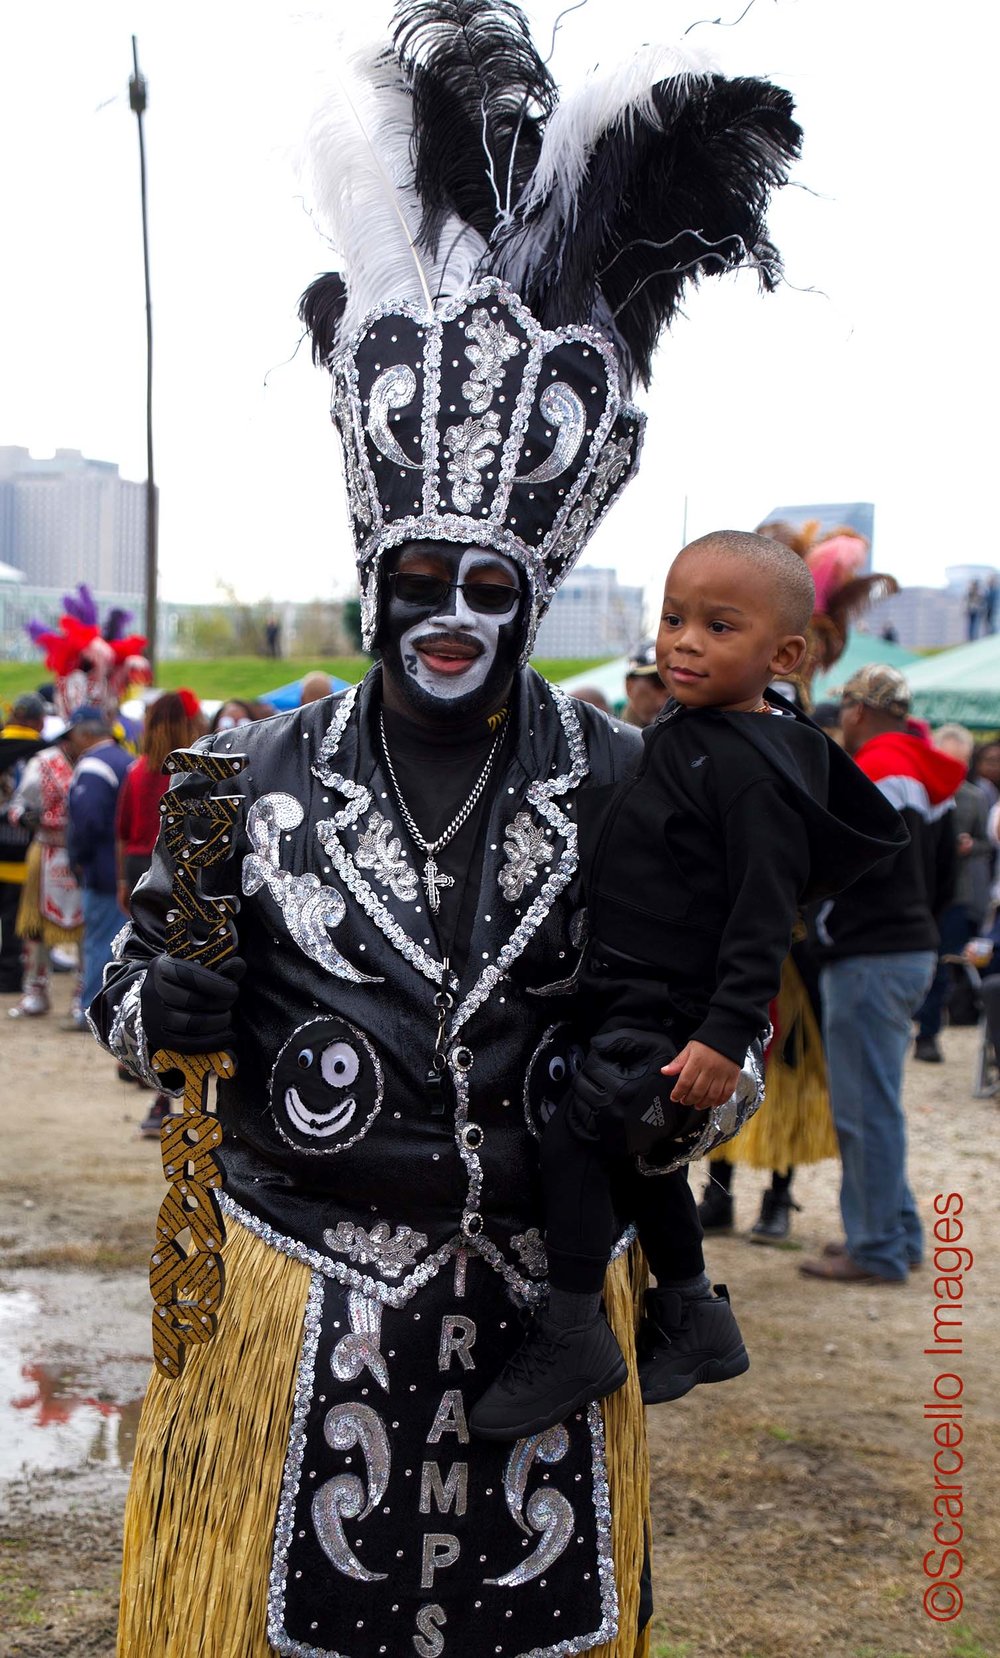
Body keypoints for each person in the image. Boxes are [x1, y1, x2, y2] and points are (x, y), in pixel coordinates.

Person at [91, 11, 804, 1654]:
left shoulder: (638, 776)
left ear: (533, 588)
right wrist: (164, 1019)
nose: (455, 617)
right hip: (294, 1303)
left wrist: (675, 1099)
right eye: (424, 582)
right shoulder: (247, 774)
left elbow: (725, 1033)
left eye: (493, 587)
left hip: (538, 1336)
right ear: (375, 581)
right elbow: (134, 984)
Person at [470, 532, 907, 1440]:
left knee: (578, 1141)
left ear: (784, 657)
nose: (683, 642)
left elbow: (763, 912)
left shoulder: (755, 765)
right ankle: (695, 1313)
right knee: (640, 1155)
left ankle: (572, 1331)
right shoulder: (687, 732)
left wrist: (724, 1030)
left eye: (717, 625)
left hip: (673, 1007)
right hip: (629, 993)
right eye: (673, 619)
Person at [800, 665, 965, 1285]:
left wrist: (819, 929)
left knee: (865, 1110)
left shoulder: (873, 769)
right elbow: (947, 872)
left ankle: (875, 1249)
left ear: (858, 712)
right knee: (880, 1106)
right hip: (910, 949)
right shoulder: (927, 772)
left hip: (870, 954)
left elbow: (848, 868)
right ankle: (898, 1234)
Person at [115, 690, 203, 1134]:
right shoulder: (197, 770)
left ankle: (145, 1070)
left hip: (138, 870)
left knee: (144, 973)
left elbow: (124, 832)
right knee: (187, 985)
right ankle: (168, 1096)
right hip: (182, 877)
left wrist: (121, 882)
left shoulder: (136, 772)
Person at [912, 724, 992, 1062]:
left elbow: (989, 843)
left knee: (943, 964)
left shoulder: (974, 797)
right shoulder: (916, 790)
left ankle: (928, 1034)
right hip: (918, 892)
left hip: (955, 895)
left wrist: (971, 846)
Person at [7, 714, 85, 1019]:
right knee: (35, 925)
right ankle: (36, 989)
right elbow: (17, 807)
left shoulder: (96, 760)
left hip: (82, 853)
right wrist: (28, 817)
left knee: (85, 926)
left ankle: (83, 992)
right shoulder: (41, 763)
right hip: (46, 850)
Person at [65, 711, 131, 1033]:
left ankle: (93, 1011)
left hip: (103, 869)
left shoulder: (93, 765)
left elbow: (86, 820)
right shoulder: (126, 759)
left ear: (83, 734)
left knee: (99, 943)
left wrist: (77, 856)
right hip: (127, 869)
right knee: (122, 945)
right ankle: (117, 1010)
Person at [0, 694, 47, 994]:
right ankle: (11, 975)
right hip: (28, 850)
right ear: (36, 720)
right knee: (18, 917)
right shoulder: (45, 752)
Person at [622, 641, 669, 728]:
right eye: (658, 682)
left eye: (671, 682)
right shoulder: (610, 737)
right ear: (630, 687)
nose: (668, 691)